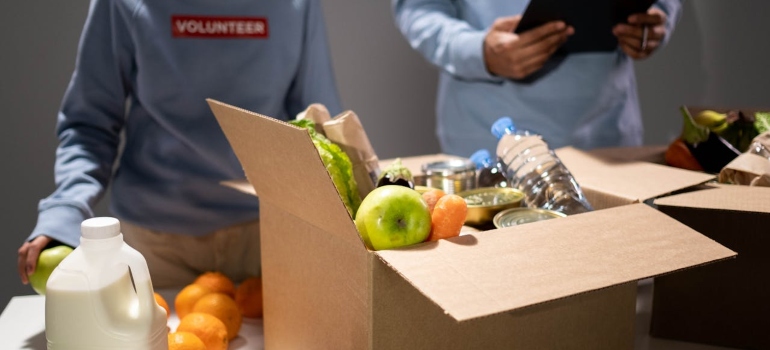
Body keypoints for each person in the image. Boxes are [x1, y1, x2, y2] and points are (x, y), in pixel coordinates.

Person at [17, 0, 341, 288]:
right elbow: (90, 123)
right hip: (153, 247)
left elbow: (317, 125)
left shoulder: (298, 5)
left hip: (264, 237)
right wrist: (65, 210)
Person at [391, 0, 682, 157]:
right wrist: (479, 51)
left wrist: (659, 18)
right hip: (491, 136)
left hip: (606, 131)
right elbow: (419, 9)